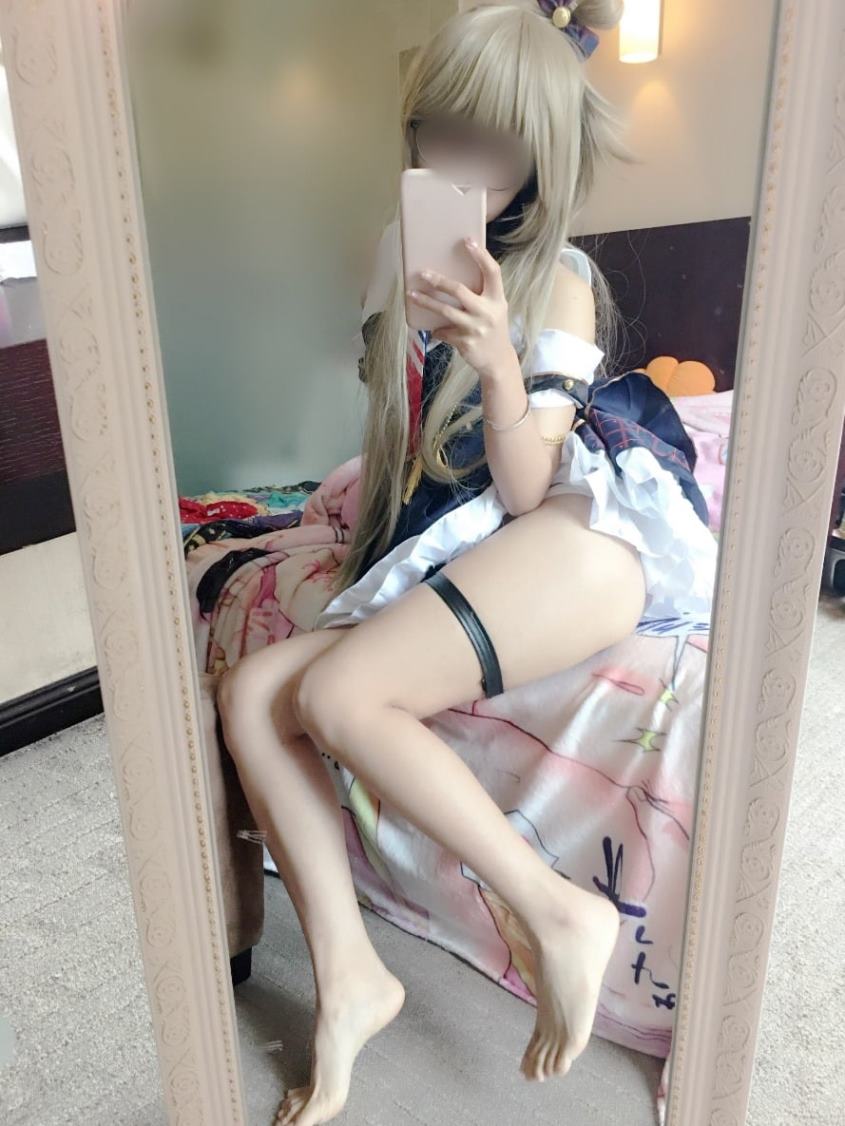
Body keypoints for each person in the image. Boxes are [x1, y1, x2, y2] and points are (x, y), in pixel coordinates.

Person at [217, 4, 718, 1124]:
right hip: (471, 546)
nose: (459, 161)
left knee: (340, 695)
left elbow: (530, 487)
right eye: (439, 132)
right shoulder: (396, 262)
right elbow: (402, 468)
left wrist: (497, 364)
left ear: (541, 157)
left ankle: (557, 910)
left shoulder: (561, 281)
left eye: (492, 143)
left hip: (580, 531)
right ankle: (351, 978)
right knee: (252, 695)